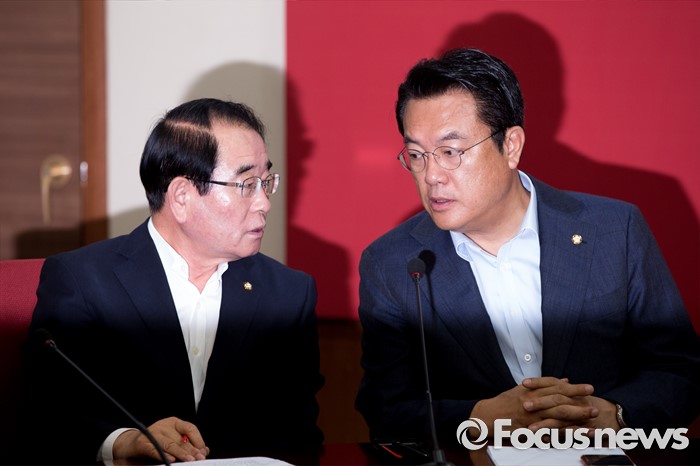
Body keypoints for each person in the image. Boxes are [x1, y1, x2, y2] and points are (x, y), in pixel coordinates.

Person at [355, 48, 700, 445]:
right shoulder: (393, 263)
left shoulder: (614, 231)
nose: (431, 175)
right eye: (416, 155)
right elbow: (386, 409)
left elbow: (680, 371)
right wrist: (478, 418)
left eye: (450, 152)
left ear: (511, 146)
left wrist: (616, 415)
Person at [21, 98, 323, 464]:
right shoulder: (84, 282)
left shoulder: (289, 294)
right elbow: (46, 418)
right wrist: (123, 442)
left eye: (266, 182)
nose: (264, 203)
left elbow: (300, 435)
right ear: (181, 197)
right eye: (247, 184)